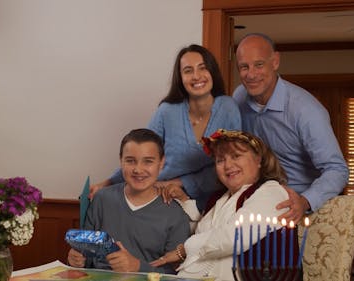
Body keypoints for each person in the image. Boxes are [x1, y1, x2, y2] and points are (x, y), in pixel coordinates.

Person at [91, 44, 242, 211]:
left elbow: (232, 162)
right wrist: (108, 182)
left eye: (202, 68)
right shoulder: (167, 111)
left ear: (212, 72)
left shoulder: (229, 108)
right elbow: (142, 152)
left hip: (210, 204)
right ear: (180, 77)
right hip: (159, 196)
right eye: (188, 70)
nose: (196, 76)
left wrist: (177, 183)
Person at [233, 33, 349, 223]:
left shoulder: (307, 111)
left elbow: (337, 169)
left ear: (275, 61)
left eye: (259, 65)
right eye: (244, 67)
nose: (251, 74)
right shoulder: (238, 98)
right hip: (254, 200)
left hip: (294, 205)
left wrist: (304, 201)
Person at [151, 129, 293, 281]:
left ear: (259, 160)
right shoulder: (220, 197)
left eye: (236, 156)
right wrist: (184, 201)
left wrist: (183, 250)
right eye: (220, 160)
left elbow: (233, 238)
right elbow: (206, 232)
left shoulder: (271, 192)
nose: (228, 165)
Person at [67, 128, 190, 274]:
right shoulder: (101, 199)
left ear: (161, 162)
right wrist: (75, 259)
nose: (138, 169)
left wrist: (138, 267)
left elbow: (176, 274)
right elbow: (85, 254)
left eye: (148, 161)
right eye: (130, 161)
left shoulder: (175, 214)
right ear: (121, 161)